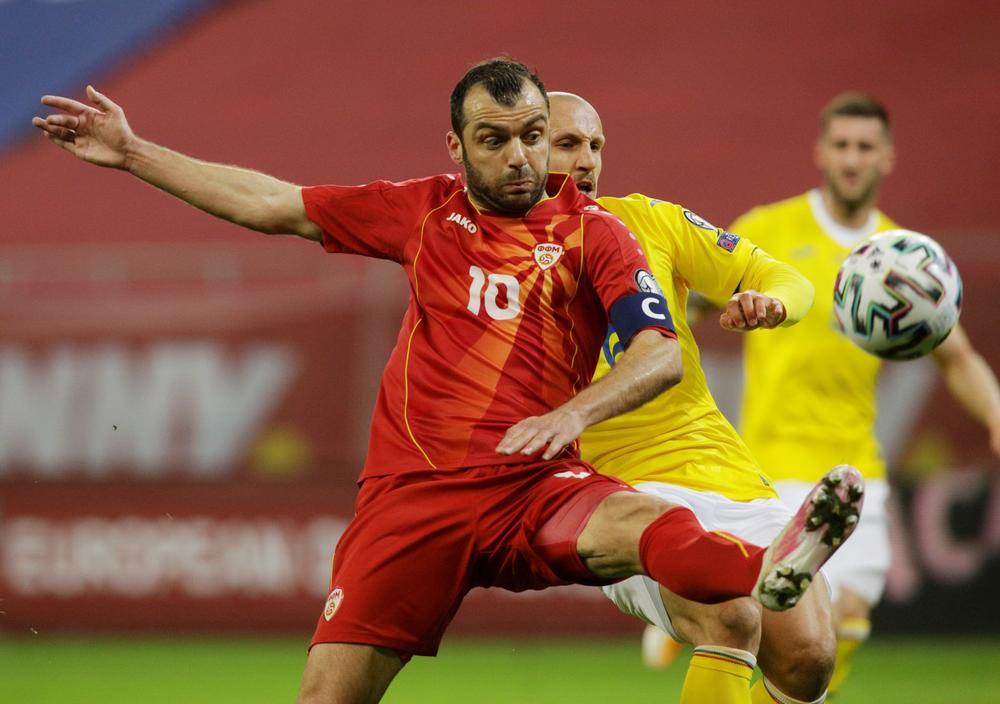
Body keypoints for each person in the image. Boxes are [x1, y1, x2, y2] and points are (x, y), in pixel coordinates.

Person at [33, 60, 863, 704]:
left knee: (649, 521)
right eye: (497, 139)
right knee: (328, 693)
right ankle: (760, 568)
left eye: (535, 135)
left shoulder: (600, 233)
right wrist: (135, 153)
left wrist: (569, 414)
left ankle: (766, 568)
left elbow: (660, 354)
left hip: (536, 486)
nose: (523, 156)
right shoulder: (421, 210)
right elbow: (271, 203)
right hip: (415, 499)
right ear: (456, 147)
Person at [548, 91, 852, 704]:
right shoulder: (497, 258)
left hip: (727, 471)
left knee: (810, 659)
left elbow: (786, 277)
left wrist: (773, 304)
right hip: (620, 491)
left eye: (596, 145)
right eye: (567, 144)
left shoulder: (648, 221)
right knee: (732, 616)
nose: (586, 160)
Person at [722, 92, 1000, 698]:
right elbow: (689, 300)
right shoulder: (767, 230)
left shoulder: (904, 259)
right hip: (768, 469)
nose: (852, 158)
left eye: (865, 147)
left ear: (887, 157)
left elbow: (958, 358)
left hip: (855, 471)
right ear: (821, 151)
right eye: (842, 145)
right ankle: (707, 606)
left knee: (846, 616)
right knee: (788, 629)